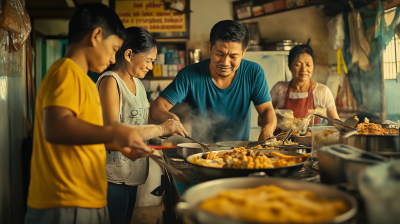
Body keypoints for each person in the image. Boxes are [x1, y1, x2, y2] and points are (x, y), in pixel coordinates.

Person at [25, 4, 151, 224]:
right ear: (96, 35)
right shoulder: (66, 71)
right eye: (113, 49)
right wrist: (113, 133)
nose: (113, 59)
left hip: (85, 198)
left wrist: (118, 143)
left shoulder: (84, 80)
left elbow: (83, 135)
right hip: (66, 200)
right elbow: (56, 128)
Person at [97, 26, 187, 224]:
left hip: (132, 171)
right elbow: (111, 131)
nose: (150, 66)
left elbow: (140, 122)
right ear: (129, 54)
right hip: (112, 175)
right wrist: (161, 128)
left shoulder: (137, 83)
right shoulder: (111, 82)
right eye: (148, 60)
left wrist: (162, 129)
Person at [150, 20, 277, 143]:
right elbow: (158, 105)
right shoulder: (189, 74)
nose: (225, 63)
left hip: (239, 153)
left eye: (233, 56)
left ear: (243, 53)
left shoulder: (253, 72)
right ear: (210, 47)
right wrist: (169, 119)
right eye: (219, 54)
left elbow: (266, 110)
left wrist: (267, 129)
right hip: (201, 153)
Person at [269, 45, 339, 124]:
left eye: (308, 65)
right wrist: (278, 120)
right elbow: (261, 120)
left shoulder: (323, 92)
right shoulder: (279, 89)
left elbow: (335, 122)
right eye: (298, 65)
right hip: (283, 136)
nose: (304, 69)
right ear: (289, 66)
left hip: (312, 137)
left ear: (313, 66)